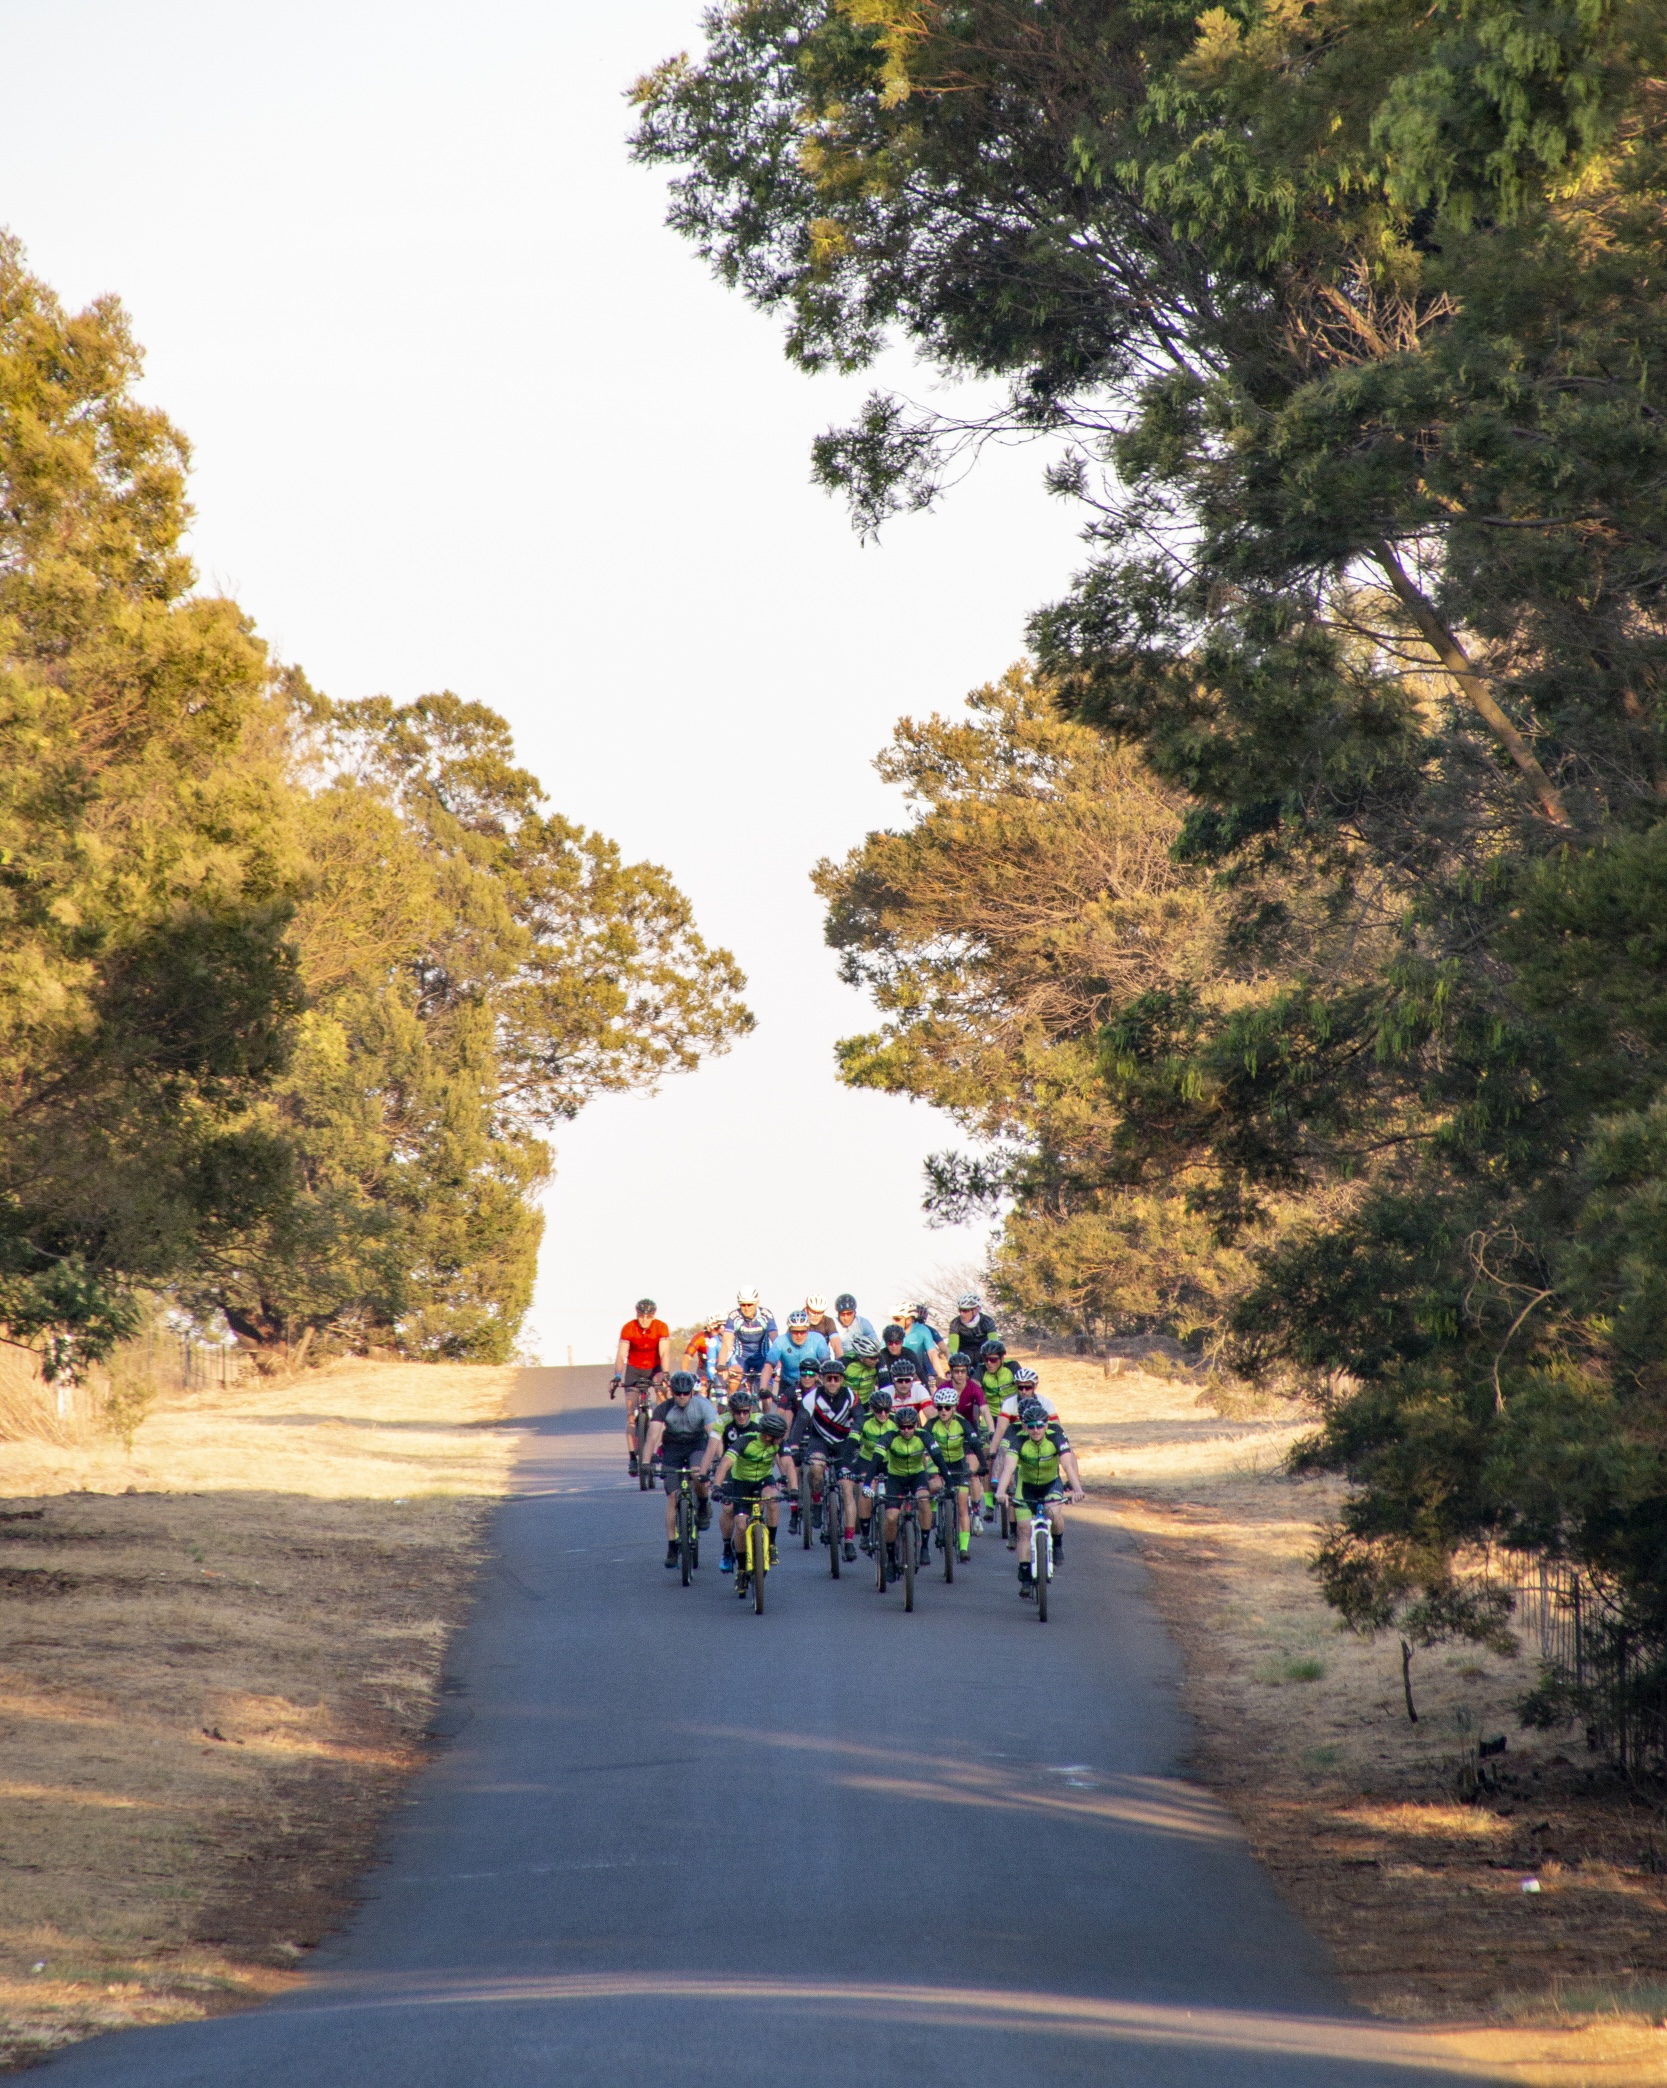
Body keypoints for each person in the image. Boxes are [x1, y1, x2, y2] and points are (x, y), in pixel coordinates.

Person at [996, 1395, 1085, 1596]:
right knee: (1024, 1529)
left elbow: (1067, 1465)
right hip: (1026, 1486)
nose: (1036, 1430)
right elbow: (1008, 1468)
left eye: (1040, 1425)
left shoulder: (1056, 1436)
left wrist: (1077, 1489)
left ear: (1046, 1425)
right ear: (1025, 1427)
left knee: (1054, 1513)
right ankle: (1025, 1574)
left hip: (1050, 1484)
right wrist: (1000, 1491)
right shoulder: (1018, 1440)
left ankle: (1058, 1543)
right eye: (1031, 1426)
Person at [786, 1354, 862, 1561]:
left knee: (847, 1490)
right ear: (821, 1379)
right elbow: (800, 1423)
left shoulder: (850, 1395)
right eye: (829, 1378)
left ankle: (849, 1542)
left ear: (842, 1380)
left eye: (837, 1378)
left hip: (844, 1444)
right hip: (819, 1441)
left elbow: (860, 1419)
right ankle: (817, 1503)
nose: (832, 1382)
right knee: (816, 1469)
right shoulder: (812, 1397)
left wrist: (855, 1438)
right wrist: (794, 1447)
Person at [862, 1396, 950, 1570]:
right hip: (896, 1478)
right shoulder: (889, 1437)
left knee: (924, 1501)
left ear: (916, 1425)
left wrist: (950, 1484)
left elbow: (939, 1460)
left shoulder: (924, 1436)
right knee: (891, 1517)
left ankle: (924, 1547)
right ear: (897, 1426)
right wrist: (866, 1484)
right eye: (902, 1427)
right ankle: (890, 1559)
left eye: (910, 1427)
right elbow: (874, 1462)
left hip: (917, 1476)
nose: (906, 1430)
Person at [713, 1408, 794, 1585]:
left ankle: (771, 1544)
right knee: (741, 1526)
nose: (781, 1439)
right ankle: (742, 1568)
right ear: (768, 1436)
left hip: (763, 1480)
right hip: (741, 1483)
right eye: (778, 1436)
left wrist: (794, 1488)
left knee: (772, 1499)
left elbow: (788, 1463)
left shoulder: (779, 1443)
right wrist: (717, 1487)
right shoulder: (745, 1441)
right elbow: (725, 1463)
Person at [646, 1371, 719, 1565]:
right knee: (672, 1497)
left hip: (697, 1446)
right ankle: (672, 1546)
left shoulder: (703, 1406)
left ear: (691, 1392)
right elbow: (652, 1436)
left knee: (697, 1474)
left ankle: (702, 1504)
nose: (681, 1396)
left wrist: (720, 1458)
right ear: (672, 1392)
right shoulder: (663, 1408)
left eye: (685, 1393)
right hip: (673, 1448)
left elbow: (714, 1436)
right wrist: (645, 1463)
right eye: (677, 1393)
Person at [989, 1364, 1059, 1545]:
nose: (1024, 1391)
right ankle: (1014, 1531)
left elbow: (1057, 1431)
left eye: (1028, 1387)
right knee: (1013, 1488)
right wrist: (992, 1453)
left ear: (1035, 1387)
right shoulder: (1010, 1403)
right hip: (1016, 1442)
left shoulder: (1046, 1403)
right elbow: (1001, 1430)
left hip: (1040, 1446)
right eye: (1020, 1387)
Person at [612, 1298, 670, 1472]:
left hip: (654, 1368)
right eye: (641, 1315)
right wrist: (617, 1375)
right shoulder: (628, 1328)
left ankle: (663, 1438)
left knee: (663, 1397)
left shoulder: (661, 1327)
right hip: (634, 1369)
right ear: (637, 1314)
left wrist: (666, 1373)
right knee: (631, 1413)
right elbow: (621, 1355)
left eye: (648, 1316)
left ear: (654, 1315)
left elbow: (664, 1352)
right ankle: (632, 1456)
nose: (644, 1319)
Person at [925, 1383, 978, 1560]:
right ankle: (933, 1509)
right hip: (937, 1464)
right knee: (933, 1485)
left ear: (954, 1407)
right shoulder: (931, 1424)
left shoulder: (962, 1422)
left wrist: (982, 1464)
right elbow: (921, 1441)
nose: (943, 1411)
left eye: (947, 1407)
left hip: (957, 1465)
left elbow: (974, 1443)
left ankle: (964, 1547)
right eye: (939, 1407)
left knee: (962, 1505)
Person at [852, 1386, 895, 1553]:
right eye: (878, 1410)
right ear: (871, 1409)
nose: (883, 1414)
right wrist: (846, 1464)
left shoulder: (896, 1421)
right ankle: (865, 1533)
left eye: (886, 1410)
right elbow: (851, 1444)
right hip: (868, 1461)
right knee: (866, 1490)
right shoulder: (863, 1420)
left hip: (890, 1461)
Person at [720, 1287, 777, 1386]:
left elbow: (775, 1340)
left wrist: (780, 1364)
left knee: (765, 1390)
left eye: (750, 1304)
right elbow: (726, 1343)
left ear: (757, 1303)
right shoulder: (734, 1316)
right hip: (740, 1358)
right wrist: (721, 1363)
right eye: (743, 1305)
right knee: (733, 1381)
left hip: (762, 1358)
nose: (746, 1308)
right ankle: (732, 1396)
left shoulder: (766, 1315)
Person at [901, 1302, 948, 1385]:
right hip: (917, 1369)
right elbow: (944, 1349)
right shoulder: (927, 1329)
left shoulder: (926, 1330)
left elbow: (944, 1349)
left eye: (921, 1322)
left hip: (922, 1368)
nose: (919, 1325)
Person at [947, 1292, 998, 1360]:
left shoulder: (987, 1321)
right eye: (960, 1310)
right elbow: (953, 1350)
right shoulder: (955, 1323)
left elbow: (994, 1345)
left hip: (983, 1356)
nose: (961, 1314)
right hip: (964, 1357)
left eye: (965, 1310)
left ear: (976, 1310)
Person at [830, 1292, 878, 1357]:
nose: (846, 1318)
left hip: (860, 1358)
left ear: (855, 1312)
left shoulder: (862, 1323)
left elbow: (875, 1342)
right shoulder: (833, 1324)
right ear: (838, 1314)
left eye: (849, 1313)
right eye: (842, 1314)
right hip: (840, 1359)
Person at [841, 1332, 881, 1409]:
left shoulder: (878, 1363)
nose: (877, 1360)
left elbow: (885, 1384)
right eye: (872, 1358)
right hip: (847, 1402)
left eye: (877, 1356)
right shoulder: (846, 1362)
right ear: (861, 1357)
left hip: (867, 1403)